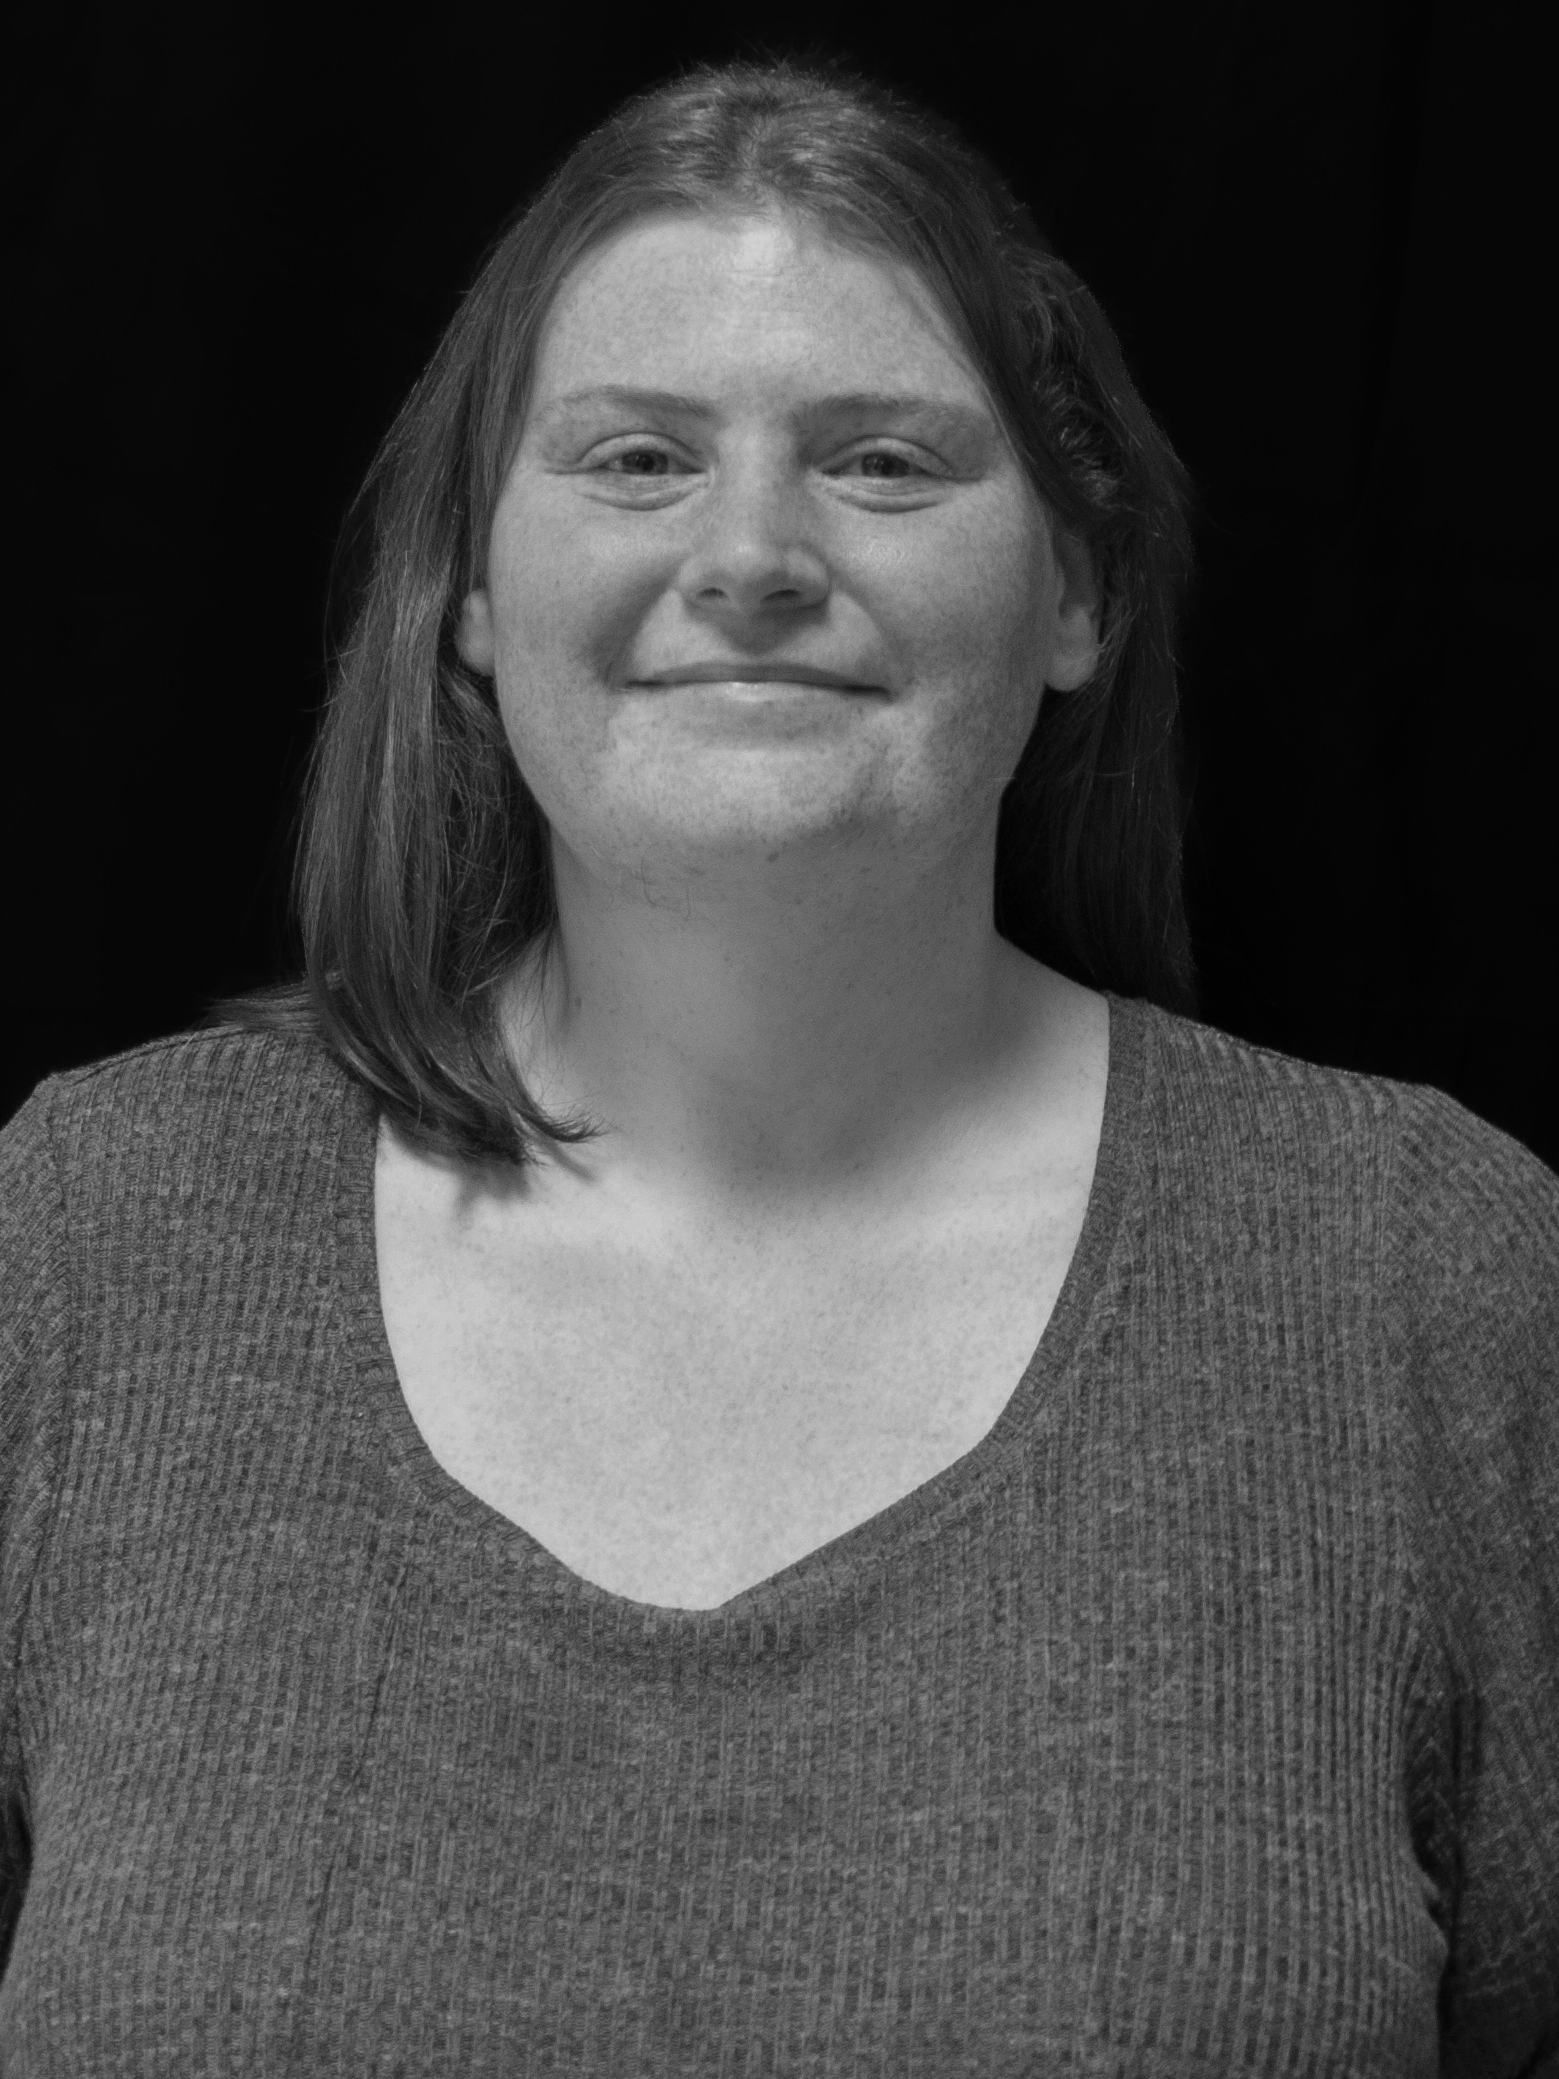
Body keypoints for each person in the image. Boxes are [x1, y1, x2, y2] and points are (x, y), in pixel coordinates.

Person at [1, 53, 1554, 2078]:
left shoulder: (1423, 1278)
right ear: (468, 596)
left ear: (1075, 585)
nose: (749, 552)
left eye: (883, 462)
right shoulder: (79, 1252)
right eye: (635, 459)